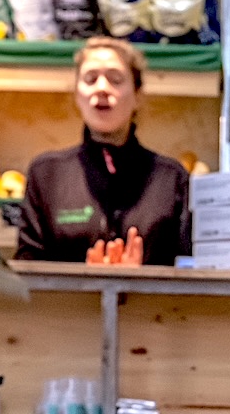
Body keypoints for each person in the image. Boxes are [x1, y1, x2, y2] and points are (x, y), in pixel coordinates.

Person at [16, 38, 192, 266]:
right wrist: (86, 282)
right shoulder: (47, 174)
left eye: (115, 79)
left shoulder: (172, 178)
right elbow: (27, 270)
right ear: (77, 95)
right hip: (67, 302)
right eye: (90, 79)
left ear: (138, 95)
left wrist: (141, 282)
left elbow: (188, 270)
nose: (102, 88)